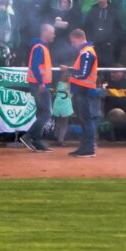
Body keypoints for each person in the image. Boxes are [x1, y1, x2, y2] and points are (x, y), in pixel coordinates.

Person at [64, 28, 102, 159]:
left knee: (86, 120)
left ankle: (89, 148)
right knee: (85, 120)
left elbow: (83, 74)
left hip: (83, 90)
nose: (72, 44)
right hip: (83, 90)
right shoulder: (86, 52)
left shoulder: (86, 53)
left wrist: (69, 71)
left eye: (73, 41)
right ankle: (85, 148)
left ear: (79, 39)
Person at [22, 24, 56, 152]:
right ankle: (28, 136)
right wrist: (42, 83)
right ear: (45, 32)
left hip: (39, 84)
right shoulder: (39, 48)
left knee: (42, 113)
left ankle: (37, 141)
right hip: (39, 85)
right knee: (47, 112)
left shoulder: (41, 47)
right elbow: (35, 67)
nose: (54, 35)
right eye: (52, 32)